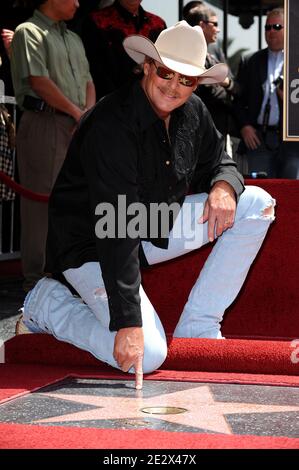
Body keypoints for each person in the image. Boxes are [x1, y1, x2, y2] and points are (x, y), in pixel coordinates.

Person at [16, 21, 275, 390]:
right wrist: (127, 322)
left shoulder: (195, 112)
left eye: (186, 80)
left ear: (196, 83)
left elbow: (221, 160)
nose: (174, 87)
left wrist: (222, 185)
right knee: (147, 355)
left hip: (151, 225)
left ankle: (198, 326)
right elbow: (116, 226)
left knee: (256, 203)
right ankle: (46, 304)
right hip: (93, 243)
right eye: (167, 73)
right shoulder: (112, 123)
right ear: (148, 67)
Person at [10, 0, 96, 291]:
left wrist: (84, 117)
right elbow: (38, 81)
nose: (77, 3)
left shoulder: (73, 37)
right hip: (44, 122)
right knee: (40, 202)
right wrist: (78, 113)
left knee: (72, 199)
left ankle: (62, 273)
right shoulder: (28, 32)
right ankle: (36, 281)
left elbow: (88, 81)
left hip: (76, 124)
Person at [234, 8, 295, 178]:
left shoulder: (296, 61)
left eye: (276, 26)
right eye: (267, 28)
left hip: (292, 144)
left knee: (292, 195)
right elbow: (237, 99)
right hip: (258, 140)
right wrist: (245, 126)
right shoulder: (250, 60)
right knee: (262, 192)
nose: (271, 32)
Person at [79, 0, 166, 99]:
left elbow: (163, 68)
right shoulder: (96, 21)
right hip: (111, 103)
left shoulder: (158, 25)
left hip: (152, 102)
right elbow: (94, 69)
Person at [186, 5, 238, 147]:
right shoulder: (187, 52)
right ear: (202, 25)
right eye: (215, 24)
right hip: (196, 130)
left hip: (219, 129)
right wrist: (226, 89)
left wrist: (227, 84)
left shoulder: (215, 49)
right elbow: (205, 91)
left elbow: (234, 85)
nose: (218, 29)